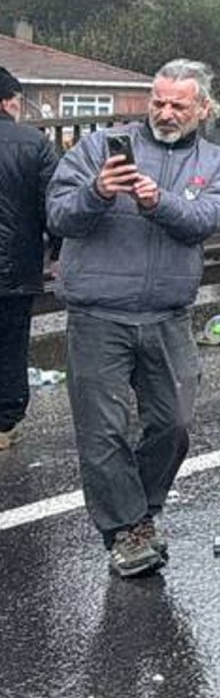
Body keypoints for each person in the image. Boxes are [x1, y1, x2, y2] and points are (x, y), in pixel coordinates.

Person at [47, 59, 220, 577]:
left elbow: (206, 220)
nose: (166, 112)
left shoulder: (215, 162)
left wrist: (158, 202)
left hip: (167, 314)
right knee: (103, 433)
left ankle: (143, 512)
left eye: (178, 104)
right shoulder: (96, 148)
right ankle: (126, 532)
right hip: (98, 312)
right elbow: (58, 215)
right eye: (158, 101)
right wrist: (98, 192)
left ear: (203, 109)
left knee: (173, 424)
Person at [1, 66, 61, 453]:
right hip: (15, 266)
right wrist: (59, 251)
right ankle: (4, 424)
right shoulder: (34, 143)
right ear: (8, 102)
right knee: (10, 343)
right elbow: (53, 206)